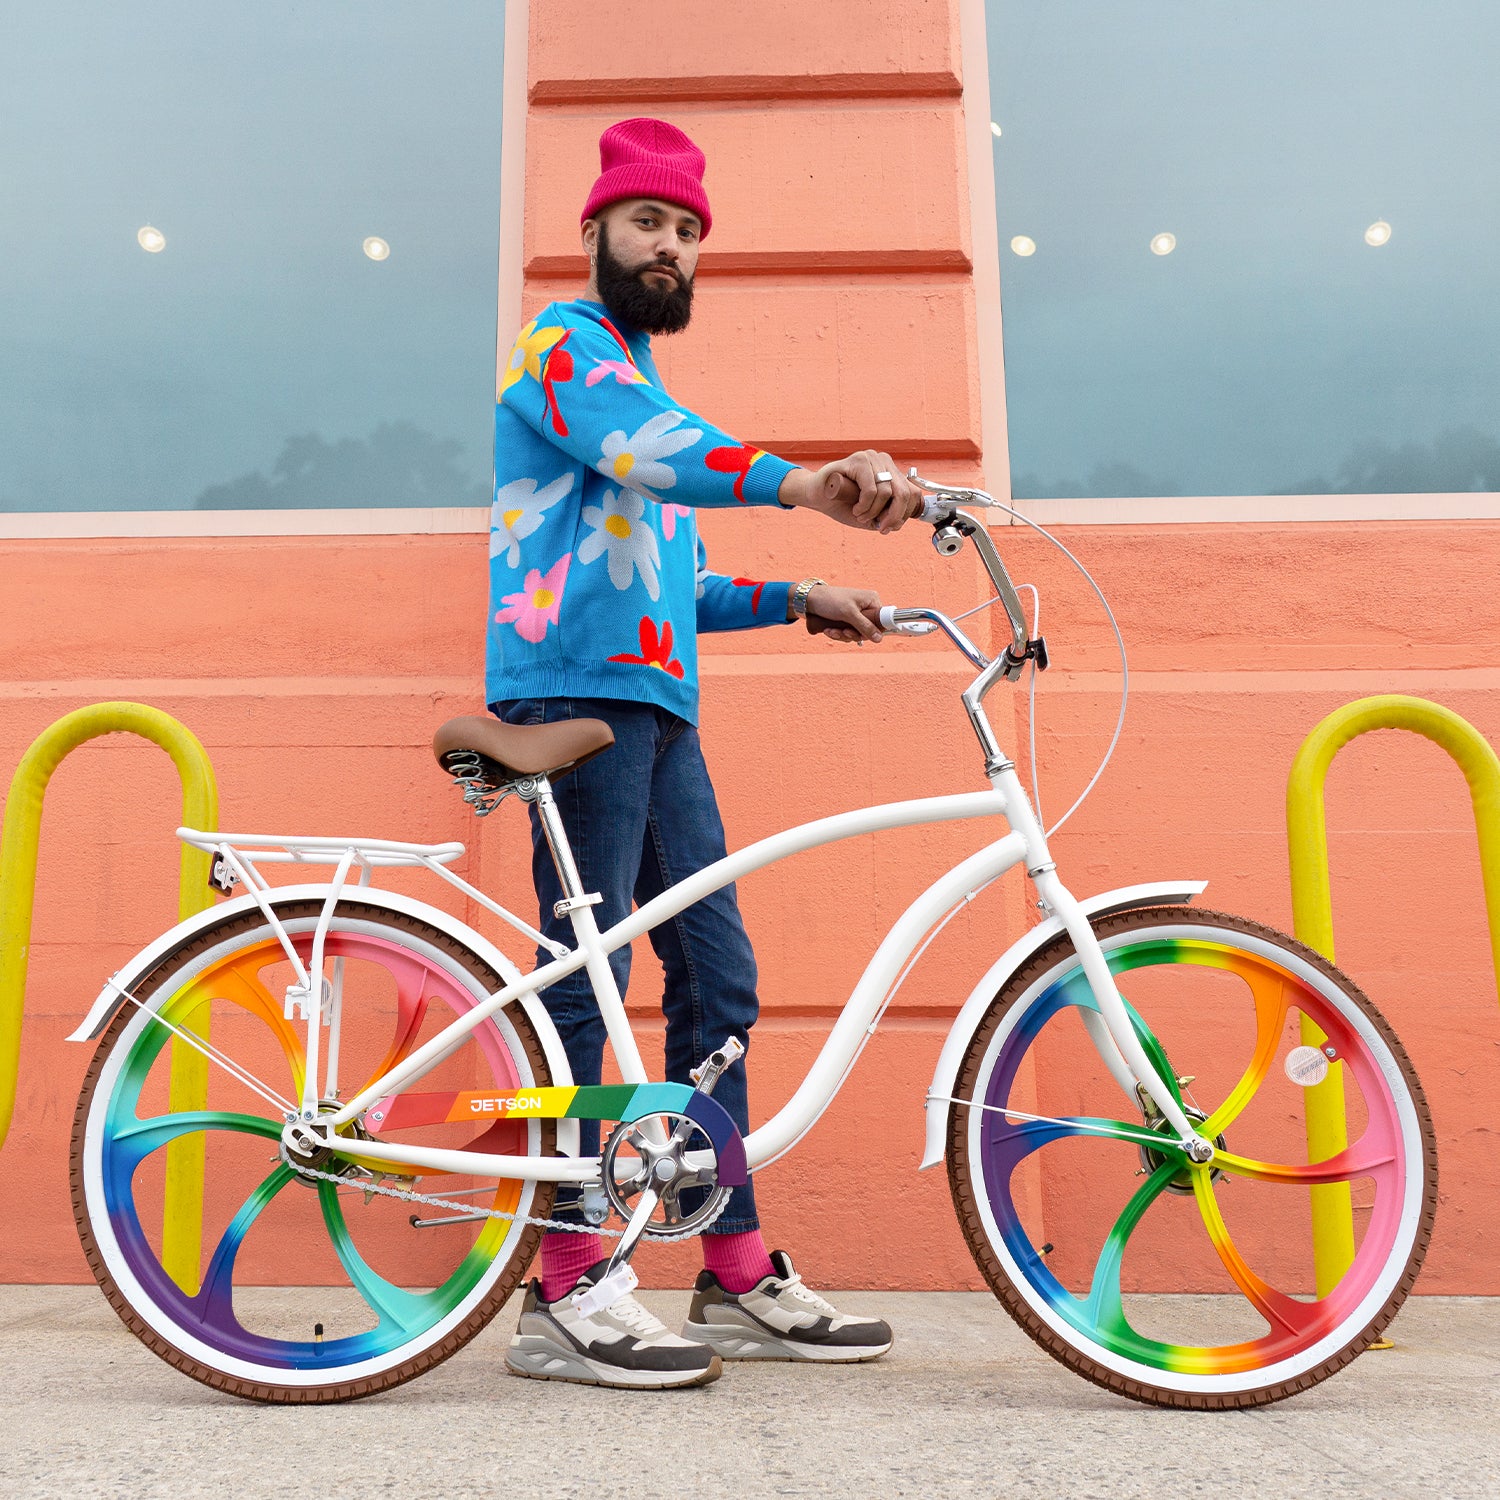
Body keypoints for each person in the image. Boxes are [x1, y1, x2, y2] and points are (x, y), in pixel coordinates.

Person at [488, 116, 923, 1390]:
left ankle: (728, 1259)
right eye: (648, 224)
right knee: (585, 972)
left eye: (686, 232)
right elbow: (650, 457)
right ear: (596, 234)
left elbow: (667, 570)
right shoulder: (564, 351)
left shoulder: (643, 382)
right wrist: (800, 483)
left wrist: (792, 594)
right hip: (573, 694)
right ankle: (563, 1275)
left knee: (720, 985)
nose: (669, 247)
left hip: (656, 707)